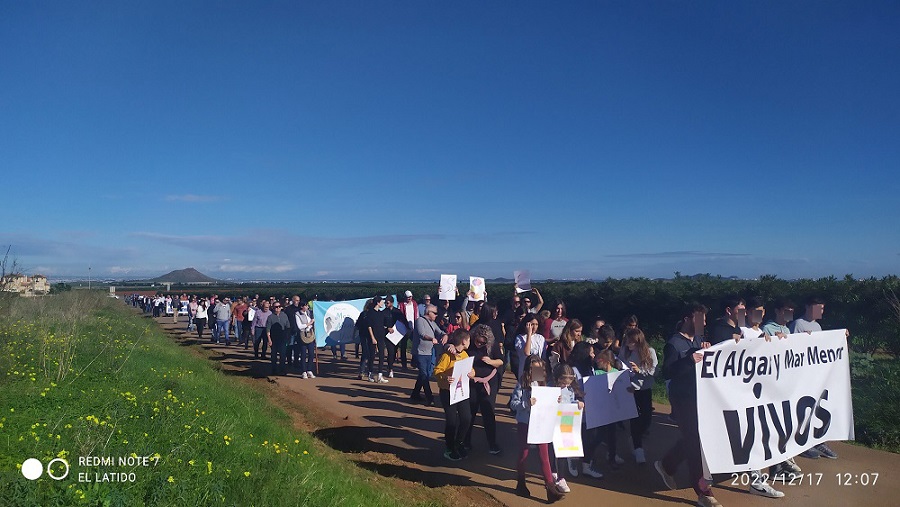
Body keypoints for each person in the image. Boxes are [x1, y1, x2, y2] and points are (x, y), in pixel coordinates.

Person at [655, 303, 722, 507]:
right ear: (687, 319)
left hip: (702, 396)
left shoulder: (701, 339)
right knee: (695, 443)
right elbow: (667, 372)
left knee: (696, 439)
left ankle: (667, 464)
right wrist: (688, 361)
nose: (703, 323)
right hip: (683, 398)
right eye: (699, 319)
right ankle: (703, 492)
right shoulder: (674, 343)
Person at [788, 295, 843, 460]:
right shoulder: (797, 324)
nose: (821, 311)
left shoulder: (818, 326)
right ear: (808, 307)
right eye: (819, 307)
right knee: (802, 409)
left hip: (815, 376)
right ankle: (803, 443)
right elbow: (789, 348)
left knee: (817, 408)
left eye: (823, 308)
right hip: (801, 375)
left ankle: (818, 441)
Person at [510, 354, 565, 501]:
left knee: (544, 454)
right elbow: (513, 404)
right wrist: (526, 404)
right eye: (535, 369)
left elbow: (550, 402)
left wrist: (557, 399)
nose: (538, 372)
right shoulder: (522, 383)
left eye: (540, 369)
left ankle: (550, 488)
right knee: (524, 453)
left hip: (541, 422)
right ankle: (521, 483)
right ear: (529, 370)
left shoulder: (545, 383)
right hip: (525, 422)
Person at [432, 329, 475, 461]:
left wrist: (472, 373)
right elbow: (437, 370)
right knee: (451, 422)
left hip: (461, 391)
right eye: (468, 340)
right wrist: (445, 377)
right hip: (448, 392)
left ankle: (459, 442)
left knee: (467, 418)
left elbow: (471, 369)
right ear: (463, 341)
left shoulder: (465, 355)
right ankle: (449, 448)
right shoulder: (447, 355)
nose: (469, 342)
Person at [618, 327, 657, 465]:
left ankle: (636, 437)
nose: (629, 344)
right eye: (628, 341)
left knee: (646, 418)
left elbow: (652, 370)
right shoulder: (625, 351)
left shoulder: (650, 352)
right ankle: (638, 448)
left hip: (645, 389)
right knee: (634, 418)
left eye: (632, 342)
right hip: (631, 389)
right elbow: (619, 365)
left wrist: (639, 370)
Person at [462, 324, 504, 455]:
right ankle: (466, 442)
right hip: (472, 382)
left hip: (489, 382)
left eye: (483, 342)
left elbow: (501, 361)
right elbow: (456, 344)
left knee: (488, 413)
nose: (480, 344)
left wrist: (491, 361)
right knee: (470, 412)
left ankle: (492, 443)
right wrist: (449, 346)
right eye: (477, 341)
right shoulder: (469, 344)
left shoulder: (493, 346)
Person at [551, 362, 585, 494]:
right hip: (552, 424)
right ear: (557, 379)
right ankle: (553, 472)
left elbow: (572, 402)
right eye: (563, 383)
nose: (566, 385)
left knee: (562, 452)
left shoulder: (570, 390)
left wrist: (578, 403)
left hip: (565, 424)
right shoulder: (550, 387)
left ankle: (561, 477)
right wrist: (553, 400)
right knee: (552, 450)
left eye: (568, 383)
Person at [410, 304, 445, 406]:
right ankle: (430, 398)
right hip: (420, 352)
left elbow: (440, 332)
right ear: (428, 312)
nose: (436, 315)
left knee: (424, 374)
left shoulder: (432, 323)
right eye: (435, 313)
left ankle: (415, 394)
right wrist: (431, 338)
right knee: (424, 374)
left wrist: (445, 335)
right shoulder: (420, 320)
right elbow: (422, 334)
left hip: (429, 352)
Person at [365, 296, 393, 383]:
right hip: (373, 337)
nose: (383, 304)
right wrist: (372, 337)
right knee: (372, 356)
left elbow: (382, 325)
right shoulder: (370, 313)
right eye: (381, 302)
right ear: (377, 302)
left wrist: (388, 328)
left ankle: (380, 375)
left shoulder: (381, 314)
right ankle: (370, 374)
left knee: (382, 355)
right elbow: (369, 326)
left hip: (381, 337)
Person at [515, 314, 547, 380]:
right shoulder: (520, 338)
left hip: (538, 369)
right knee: (525, 388)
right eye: (532, 324)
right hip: (525, 368)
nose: (534, 327)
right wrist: (529, 334)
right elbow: (527, 352)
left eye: (536, 324)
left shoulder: (540, 338)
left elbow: (543, 357)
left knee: (537, 388)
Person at [266, 301, 291, 376]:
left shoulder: (285, 316)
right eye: (276, 307)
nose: (277, 308)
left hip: (283, 339)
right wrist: (269, 339)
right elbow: (268, 329)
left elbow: (288, 327)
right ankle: (274, 370)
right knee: (273, 356)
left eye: (279, 306)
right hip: (274, 339)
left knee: (283, 355)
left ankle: (282, 370)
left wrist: (288, 337)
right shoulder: (270, 317)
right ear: (273, 308)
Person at [295, 301, 316, 379]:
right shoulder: (297, 314)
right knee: (303, 354)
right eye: (306, 305)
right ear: (301, 306)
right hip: (303, 335)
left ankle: (309, 370)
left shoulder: (309, 313)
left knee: (311, 353)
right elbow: (300, 326)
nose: (307, 307)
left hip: (310, 334)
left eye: (307, 305)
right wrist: (309, 323)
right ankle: (303, 371)